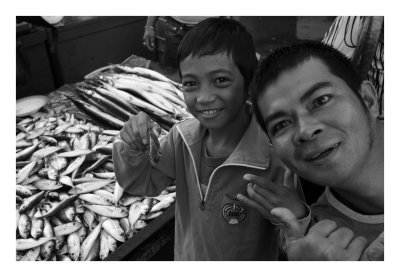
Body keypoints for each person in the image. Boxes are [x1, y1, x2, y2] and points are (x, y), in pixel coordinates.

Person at [113, 17, 306, 260]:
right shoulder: (181, 138)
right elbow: (142, 184)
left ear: (249, 84)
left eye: (221, 80)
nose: (204, 97)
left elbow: (291, 239)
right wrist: (132, 149)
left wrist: (298, 215)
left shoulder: (274, 157)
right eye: (191, 83)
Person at [237, 41, 384, 260]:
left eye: (321, 100)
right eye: (281, 125)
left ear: (368, 100)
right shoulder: (323, 243)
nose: (304, 131)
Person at [142, 16, 240, 68]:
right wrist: (149, 25)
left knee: (209, 74)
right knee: (173, 73)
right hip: (175, 30)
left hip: (212, 32)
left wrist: (237, 33)